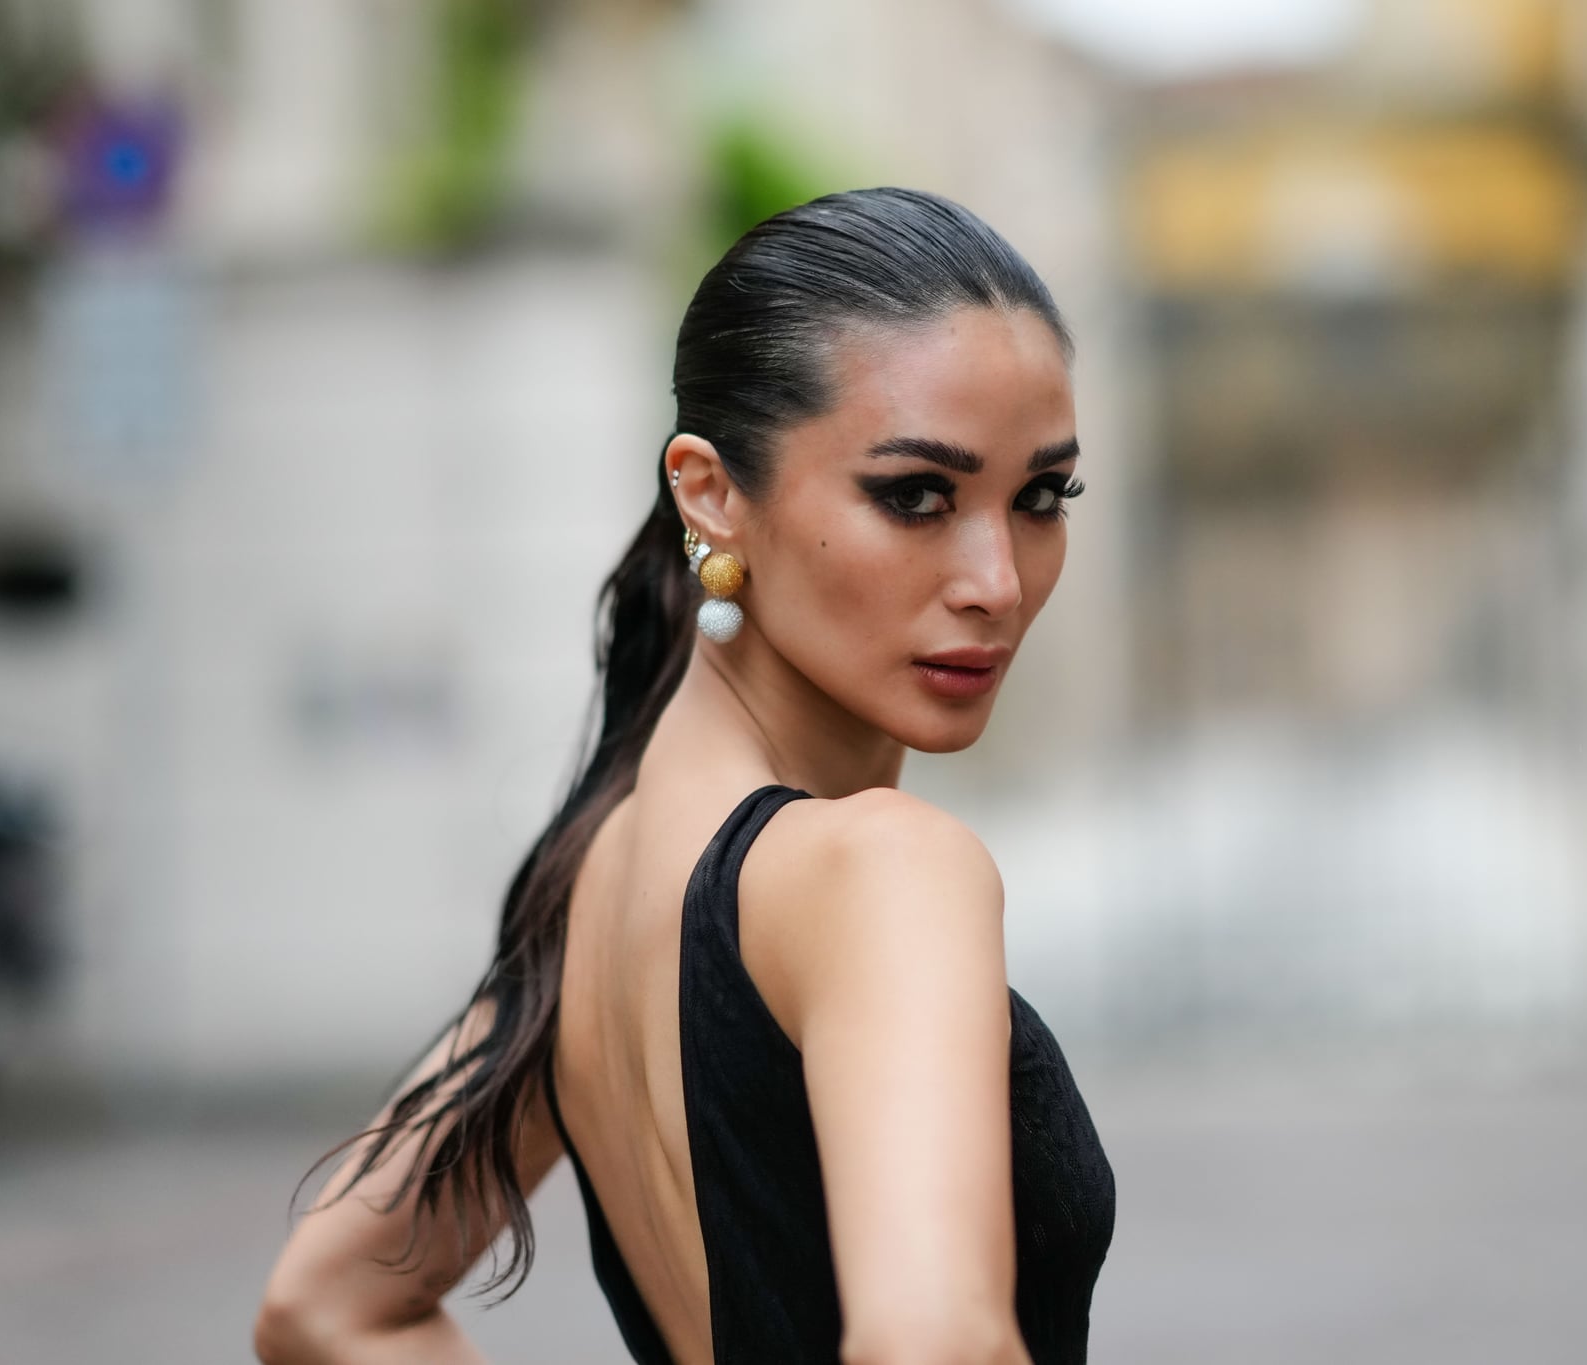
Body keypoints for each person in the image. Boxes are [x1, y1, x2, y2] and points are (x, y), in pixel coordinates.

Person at [253, 187, 1116, 1365]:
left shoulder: (596, 869)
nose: (996, 582)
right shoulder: (880, 871)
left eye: (1038, 498)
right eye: (915, 495)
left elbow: (327, 1306)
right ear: (710, 492)